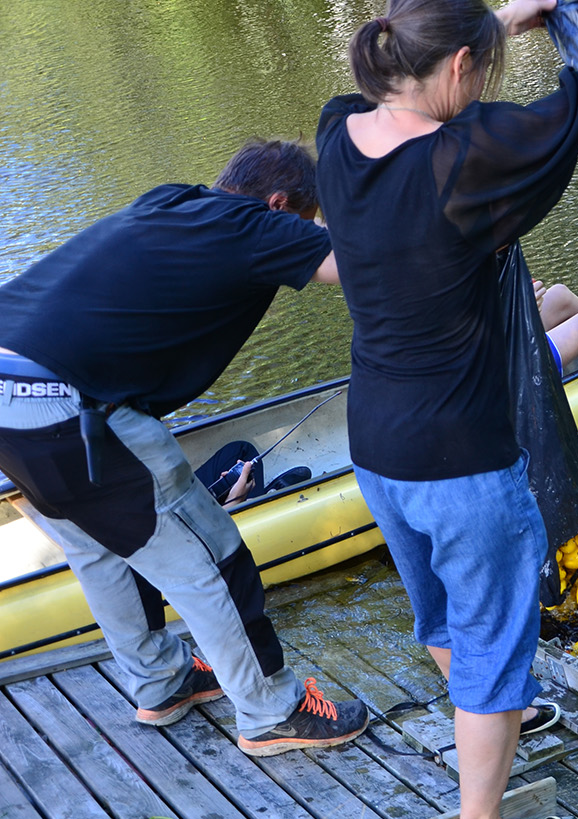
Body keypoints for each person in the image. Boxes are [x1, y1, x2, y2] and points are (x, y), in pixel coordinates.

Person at [317, 0, 578, 819]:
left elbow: (417, 82)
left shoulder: (337, 137)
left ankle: (486, 716)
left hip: (377, 449)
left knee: (439, 610)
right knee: (497, 633)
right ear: (465, 73)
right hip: (463, 458)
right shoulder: (464, 166)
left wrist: (501, 21)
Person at [0, 140, 369, 756]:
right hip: (68, 402)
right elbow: (361, 259)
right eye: (305, 221)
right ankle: (272, 710)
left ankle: (162, 680)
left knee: (101, 549)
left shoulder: (174, 200)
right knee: (211, 555)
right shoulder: (256, 226)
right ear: (279, 205)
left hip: (7, 388)